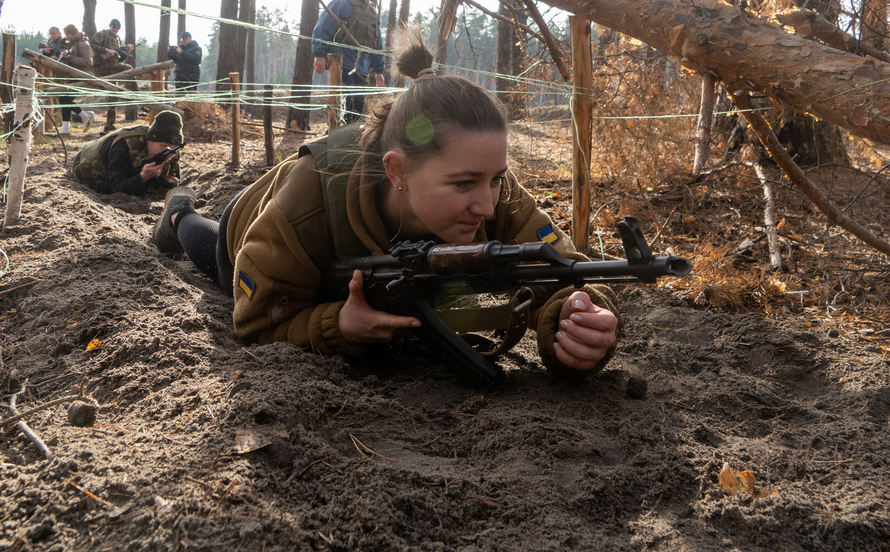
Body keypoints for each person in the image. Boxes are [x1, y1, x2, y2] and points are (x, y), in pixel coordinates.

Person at [151, 31, 619, 379]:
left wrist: (574, 318)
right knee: (204, 242)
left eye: (495, 179)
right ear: (397, 172)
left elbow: (562, 270)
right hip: (253, 227)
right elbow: (256, 321)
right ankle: (178, 211)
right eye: (462, 185)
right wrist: (336, 324)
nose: (486, 204)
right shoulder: (308, 200)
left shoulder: (487, 181)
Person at [312, 0, 387, 124]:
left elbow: (376, 43)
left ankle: (349, 141)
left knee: (359, 105)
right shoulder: (343, 2)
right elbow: (323, 26)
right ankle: (332, 137)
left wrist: (379, 71)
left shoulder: (372, 12)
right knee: (347, 101)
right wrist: (319, 54)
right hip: (342, 63)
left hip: (363, 67)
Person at [73, 109, 184, 196]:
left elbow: (168, 186)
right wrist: (142, 177)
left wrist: (166, 184)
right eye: (163, 146)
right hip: (87, 161)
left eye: (173, 148)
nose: (168, 153)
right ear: (149, 140)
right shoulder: (124, 146)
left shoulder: (172, 153)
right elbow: (116, 190)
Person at [90, 18, 135, 133]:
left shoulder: (117, 39)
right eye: (114, 26)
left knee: (113, 95)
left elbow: (119, 59)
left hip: (112, 68)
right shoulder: (103, 34)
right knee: (128, 69)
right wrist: (106, 50)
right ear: (110, 26)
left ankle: (109, 124)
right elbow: (92, 44)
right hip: (102, 67)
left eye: (118, 27)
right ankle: (134, 93)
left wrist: (127, 52)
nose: (116, 29)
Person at [57, 24, 95, 135]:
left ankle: (85, 116)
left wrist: (70, 57)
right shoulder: (76, 43)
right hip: (75, 76)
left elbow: (87, 62)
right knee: (64, 99)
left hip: (82, 76)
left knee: (64, 100)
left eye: (67, 34)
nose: (66, 37)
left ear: (72, 33)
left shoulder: (82, 44)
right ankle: (65, 128)